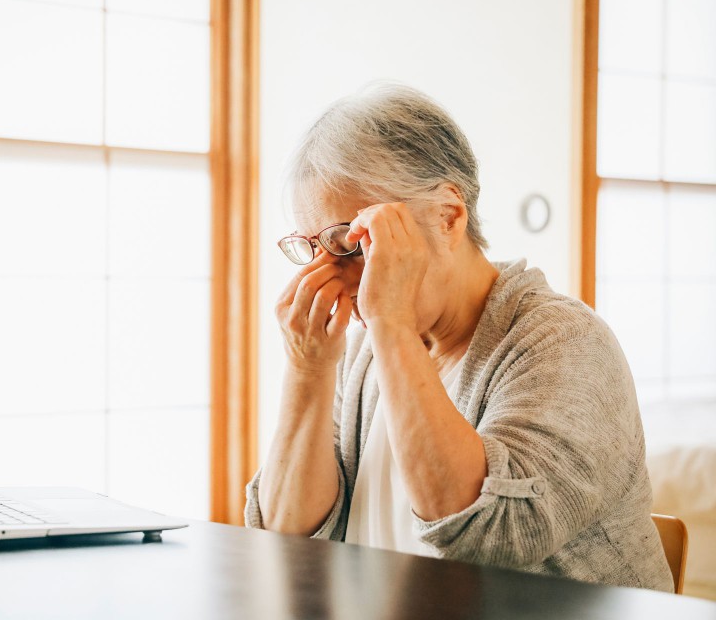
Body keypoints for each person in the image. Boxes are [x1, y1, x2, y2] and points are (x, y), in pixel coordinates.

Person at [244, 83, 674, 592]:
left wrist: (393, 325)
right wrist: (307, 369)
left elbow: (490, 533)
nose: (333, 278)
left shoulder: (567, 342)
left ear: (448, 216)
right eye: (313, 249)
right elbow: (289, 541)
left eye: (354, 245)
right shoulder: (362, 353)